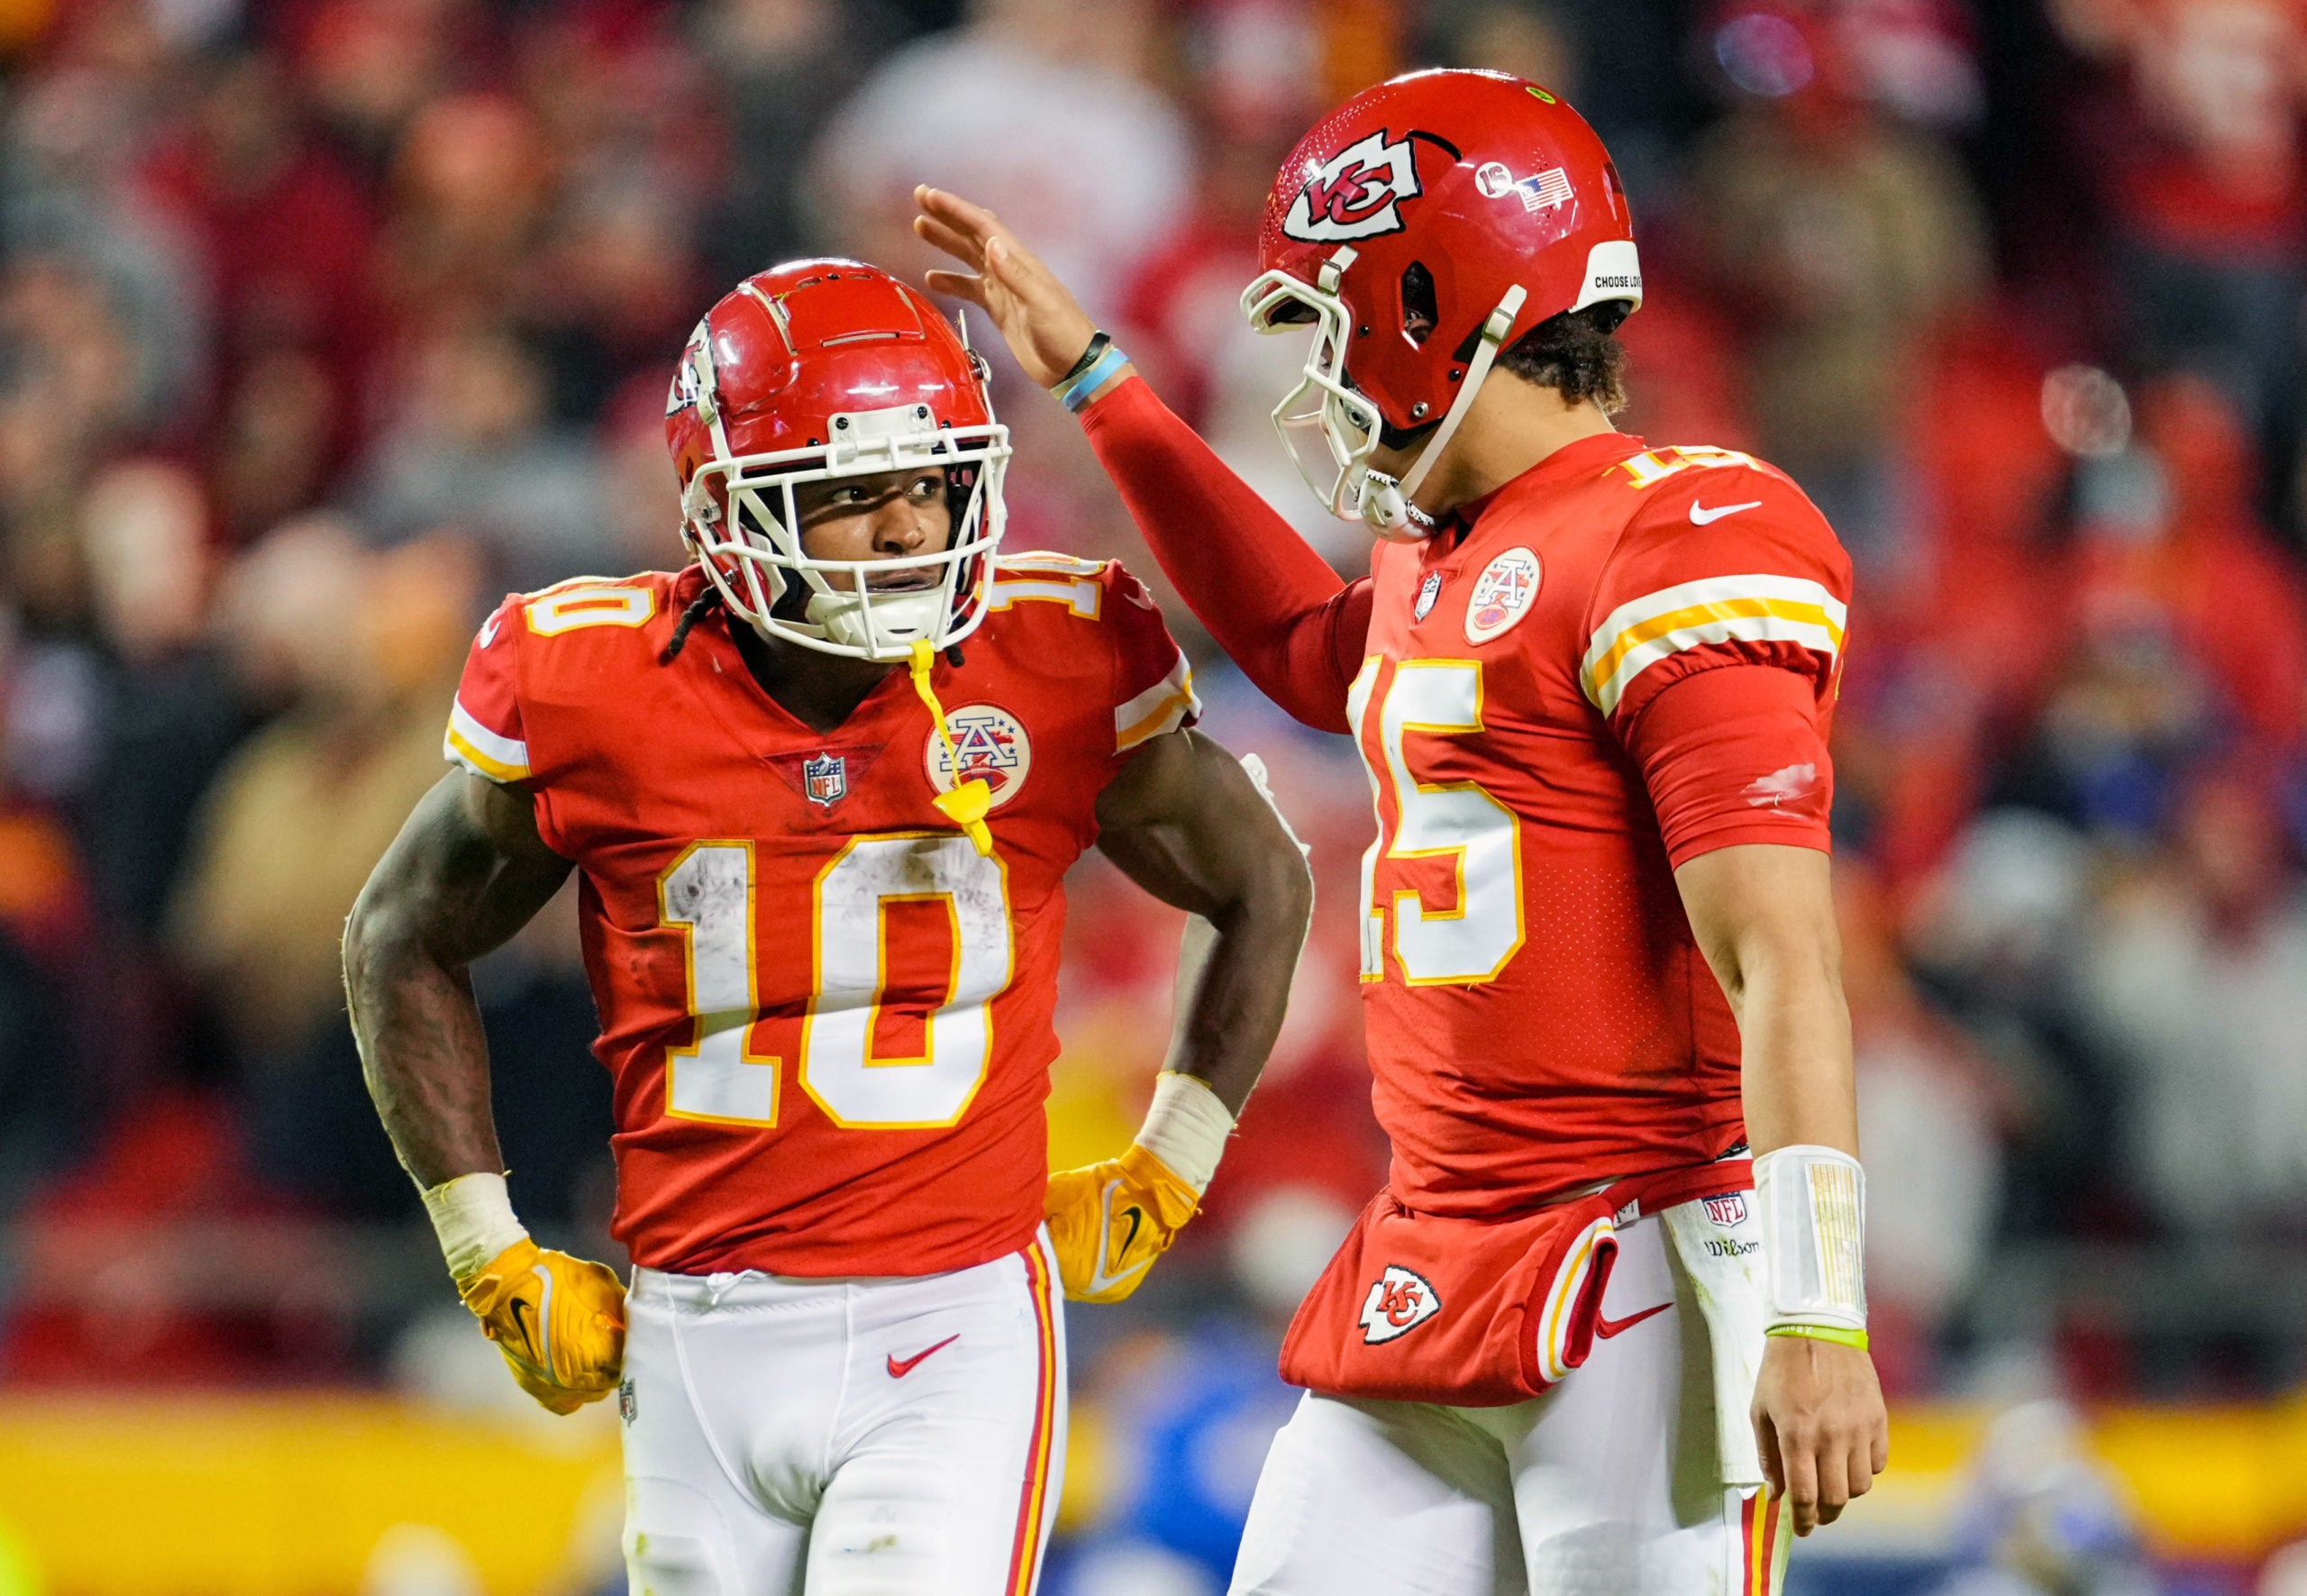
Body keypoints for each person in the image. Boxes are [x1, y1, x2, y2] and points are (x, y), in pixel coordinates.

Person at [916, 67, 1888, 1595]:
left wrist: (1819, 1313)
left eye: (1330, 321)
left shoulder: (1679, 531)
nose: (1319, 373)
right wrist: (1100, 384)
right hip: (1434, 1245)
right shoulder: (1448, 548)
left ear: (1428, 303)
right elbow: (1307, 646)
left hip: (1635, 1262)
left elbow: (1782, 958)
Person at [342, 260, 1314, 1596]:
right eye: (853, 493)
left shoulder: (1055, 655)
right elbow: (399, 936)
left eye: (934, 481)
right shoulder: (589, 682)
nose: (912, 528)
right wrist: (486, 1248)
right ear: (725, 508)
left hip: (952, 1320)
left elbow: (1262, 880)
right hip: (692, 1325)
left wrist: (1173, 1159)